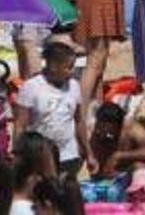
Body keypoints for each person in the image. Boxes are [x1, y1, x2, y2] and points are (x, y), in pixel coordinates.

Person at [14, 41, 89, 177]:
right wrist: (18, 155)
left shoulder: (74, 86)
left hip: (68, 155)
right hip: (40, 157)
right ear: (54, 66)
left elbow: (79, 121)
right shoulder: (31, 87)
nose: (72, 72)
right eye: (69, 67)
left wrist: (89, 153)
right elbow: (20, 125)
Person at [86, 102, 145, 178]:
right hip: (109, 176)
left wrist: (120, 155)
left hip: (131, 170)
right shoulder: (93, 132)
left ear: (119, 126)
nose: (105, 133)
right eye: (101, 127)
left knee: (139, 166)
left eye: (109, 130)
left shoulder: (131, 128)